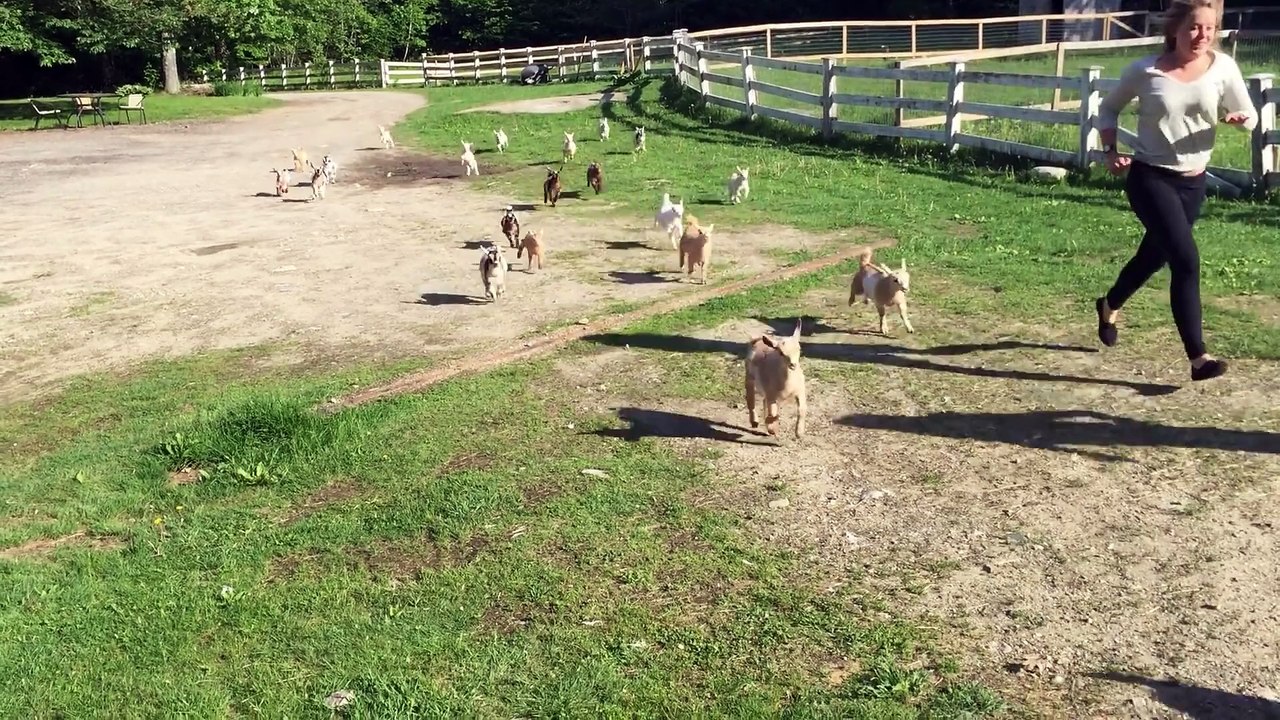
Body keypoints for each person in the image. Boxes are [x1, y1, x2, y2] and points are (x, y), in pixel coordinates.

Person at [1093, 0, 1257, 382]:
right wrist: (1110, 151)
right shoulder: (1145, 70)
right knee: (1186, 260)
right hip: (1150, 178)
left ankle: (1109, 304)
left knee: (1152, 257)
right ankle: (1199, 358)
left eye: (1209, 28)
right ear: (1175, 30)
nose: (1202, 36)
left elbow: (1249, 115)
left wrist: (1239, 119)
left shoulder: (1224, 68)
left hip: (1193, 182)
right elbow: (1108, 109)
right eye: (1194, 28)